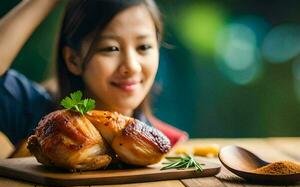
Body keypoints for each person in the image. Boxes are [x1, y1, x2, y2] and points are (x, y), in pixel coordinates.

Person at [0, 0, 187, 155]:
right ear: (73, 60)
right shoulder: (38, 116)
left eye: (144, 47)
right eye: (111, 48)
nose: (131, 66)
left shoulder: (163, 145)